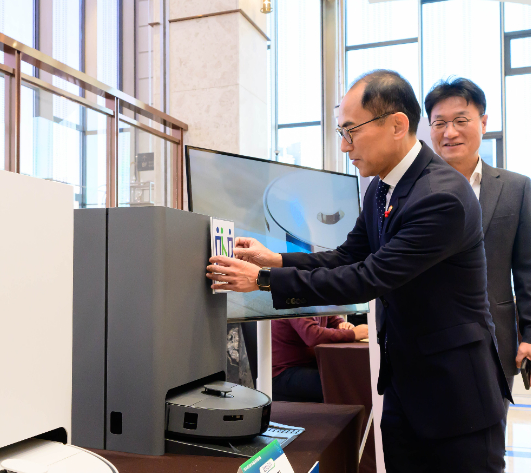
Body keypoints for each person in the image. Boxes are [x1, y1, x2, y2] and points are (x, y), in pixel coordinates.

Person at [206, 69, 510, 472]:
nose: (346, 145)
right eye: (340, 132)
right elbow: (347, 255)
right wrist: (274, 259)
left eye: (352, 130)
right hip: (404, 386)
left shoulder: (441, 197)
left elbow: (368, 276)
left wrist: (260, 281)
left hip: (455, 396)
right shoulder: (382, 188)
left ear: (397, 125)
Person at [424, 78, 531, 418]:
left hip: (493, 343)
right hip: (425, 344)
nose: (449, 132)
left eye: (461, 120)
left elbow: (530, 270)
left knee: (487, 446)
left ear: (483, 122)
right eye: (439, 123)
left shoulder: (514, 188)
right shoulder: (414, 190)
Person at [272, 317, 368, 403]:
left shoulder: (318, 303)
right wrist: (353, 334)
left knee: (349, 376)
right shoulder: (297, 301)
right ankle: (336, 421)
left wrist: (344, 326)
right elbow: (313, 335)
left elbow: (334, 320)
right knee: (340, 383)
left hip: (309, 365)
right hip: (284, 372)